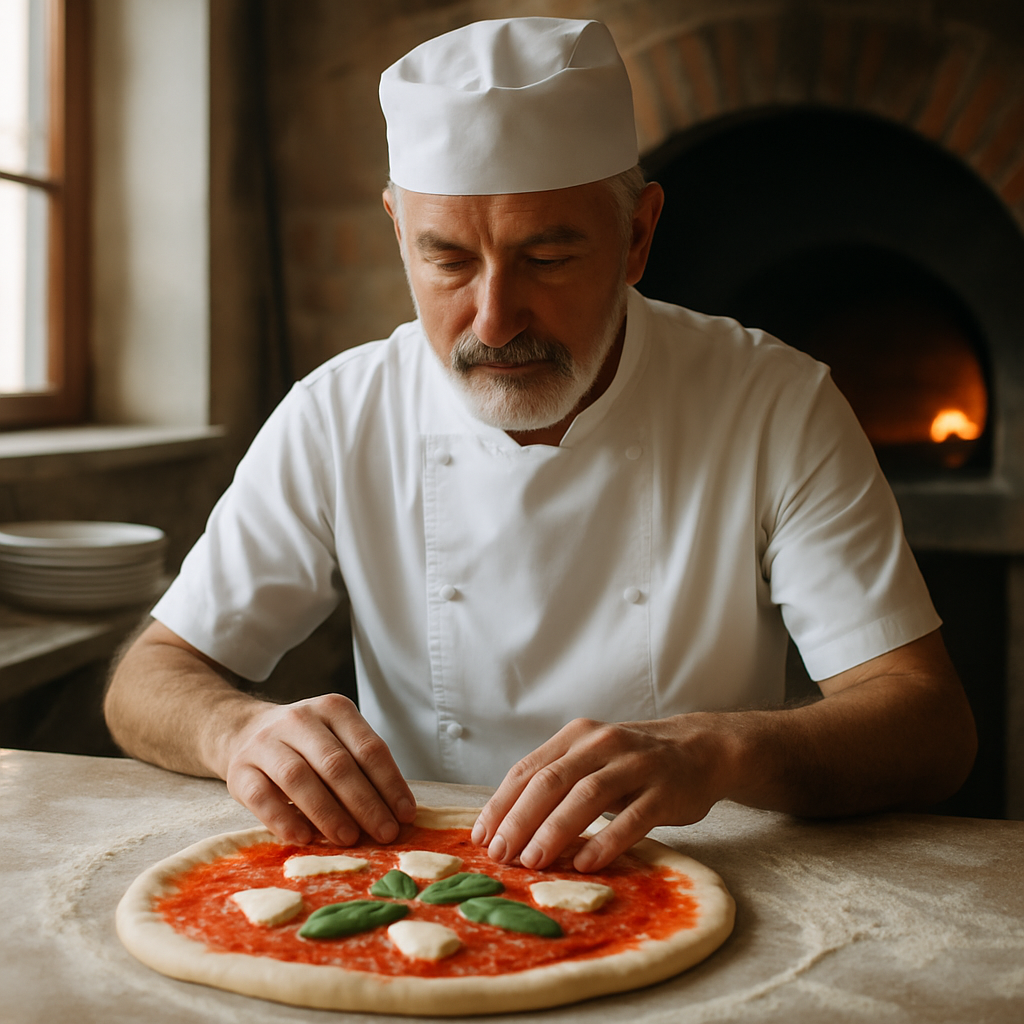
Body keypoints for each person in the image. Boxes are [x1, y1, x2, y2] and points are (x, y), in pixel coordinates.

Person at [105, 17, 977, 875]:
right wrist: (238, 730)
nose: (494, 320)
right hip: (426, 899)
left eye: (549, 258)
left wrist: (718, 752)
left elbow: (928, 726)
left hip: (701, 884)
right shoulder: (338, 413)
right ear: (397, 232)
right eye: (447, 261)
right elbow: (148, 680)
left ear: (638, 234)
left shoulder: (774, 402)